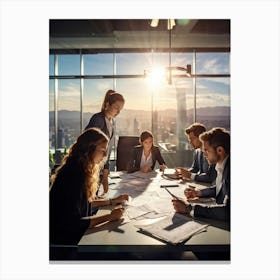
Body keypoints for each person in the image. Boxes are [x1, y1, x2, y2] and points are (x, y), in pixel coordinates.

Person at [50, 127, 129, 246]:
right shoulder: (74, 176)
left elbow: (84, 204)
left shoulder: (78, 168)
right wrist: (110, 217)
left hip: (71, 235)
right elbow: (74, 223)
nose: (105, 155)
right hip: (64, 242)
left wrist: (112, 201)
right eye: (103, 150)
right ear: (89, 149)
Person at [172, 127, 230, 221]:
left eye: (207, 150)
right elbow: (219, 189)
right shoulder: (222, 165)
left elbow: (227, 211)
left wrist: (189, 208)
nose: (205, 154)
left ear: (220, 150)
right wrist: (198, 193)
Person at [85, 89, 125, 195]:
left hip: (100, 167)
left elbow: (108, 148)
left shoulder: (112, 122)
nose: (118, 111)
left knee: (96, 198)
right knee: (89, 199)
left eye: (120, 109)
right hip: (90, 167)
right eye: (116, 107)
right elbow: (88, 144)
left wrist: (106, 171)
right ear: (108, 104)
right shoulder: (98, 119)